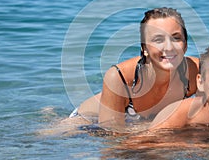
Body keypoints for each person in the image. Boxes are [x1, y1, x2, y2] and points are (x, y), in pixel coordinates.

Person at [70, 7, 199, 131]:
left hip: (139, 126)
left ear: (186, 45)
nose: (169, 47)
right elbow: (111, 139)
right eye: (158, 39)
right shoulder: (120, 77)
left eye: (176, 38)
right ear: (144, 48)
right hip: (87, 121)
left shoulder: (196, 72)